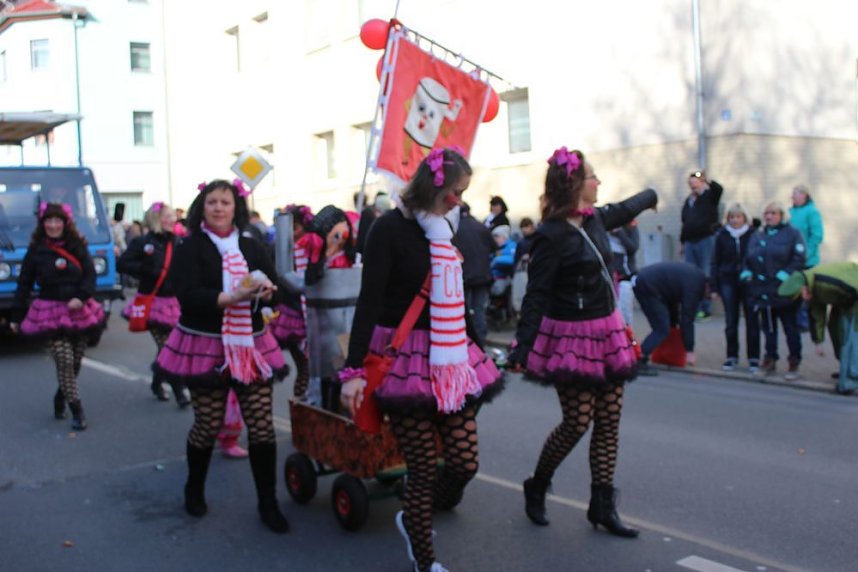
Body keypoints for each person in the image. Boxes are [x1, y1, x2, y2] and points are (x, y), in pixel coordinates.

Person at [339, 147, 504, 572]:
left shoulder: (449, 227)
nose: (461, 201)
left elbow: (456, 295)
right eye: (455, 192)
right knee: (422, 468)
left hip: (451, 353)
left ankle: (416, 513)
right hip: (405, 357)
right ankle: (424, 557)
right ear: (434, 188)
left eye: (464, 193)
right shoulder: (389, 230)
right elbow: (369, 301)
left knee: (465, 462)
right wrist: (354, 370)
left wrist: (474, 345)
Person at [507, 146, 657, 537]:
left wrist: (653, 195)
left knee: (609, 421)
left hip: (605, 332)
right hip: (570, 337)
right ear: (575, 183)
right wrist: (521, 347)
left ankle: (602, 506)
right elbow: (536, 294)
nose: (599, 182)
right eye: (593, 177)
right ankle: (537, 484)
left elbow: (627, 207)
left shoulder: (596, 220)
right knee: (576, 422)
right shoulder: (550, 237)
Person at [153, 179, 290, 533]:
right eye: (211, 202)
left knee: (261, 427)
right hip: (207, 345)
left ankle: (268, 503)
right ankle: (194, 488)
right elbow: (187, 295)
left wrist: (270, 291)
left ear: (235, 208)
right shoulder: (191, 246)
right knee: (207, 425)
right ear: (203, 206)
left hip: (251, 345)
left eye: (224, 202)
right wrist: (228, 299)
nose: (218, 208)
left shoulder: (251, 244)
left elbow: (276, 291)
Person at [11, 202, 107, 431]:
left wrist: (82, 297)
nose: (53, 225)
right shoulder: (35, 252)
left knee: (75, 361)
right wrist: (16, 316)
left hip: (79, 309)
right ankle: (77, 409)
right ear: (42, 224)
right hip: (50, 311)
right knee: (64, 360)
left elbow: (90, 275)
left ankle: (60, 396)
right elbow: (23, 285)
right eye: (49, 221)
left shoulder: (77, 246)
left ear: (65, 223)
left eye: (57, 221)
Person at [117, 201, 190, 407]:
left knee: (171, 347)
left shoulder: (179, 242)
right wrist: (146, 268)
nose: (170, 219)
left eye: (172, 216)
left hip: (175, 302)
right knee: (169, 347)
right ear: (155, 219)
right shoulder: (142, 242)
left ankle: (157, 380)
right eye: (165, 216)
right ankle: (179, 392)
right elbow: (123, 264)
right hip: (153, 301)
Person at [740, 201, 806, 380]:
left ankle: (794, 361)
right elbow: (748, 257)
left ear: (781, 215)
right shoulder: (758, 235)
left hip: (784, 290)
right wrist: (746, 273)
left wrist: (784, 277)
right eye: (766, 213)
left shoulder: (792, 234)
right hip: (763, 290)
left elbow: (799, 259)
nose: (769, 216)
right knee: (769, 328)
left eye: (773, 213)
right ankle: (770, 358)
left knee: (790, 327)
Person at [778, 262, 858, 394]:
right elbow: (817, 315)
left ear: (803, 286)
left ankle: (850, 380)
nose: (803, 298)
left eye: (801, 294)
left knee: (852, 337)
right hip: (845, 298)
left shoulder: (824, 282)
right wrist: (818, 342)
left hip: (853, 295)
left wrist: (847, 308)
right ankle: (846, 369)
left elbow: (852, 288)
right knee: (837, 331)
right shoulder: (811, 286)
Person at [269, 204, 314, 398]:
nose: (292, 233)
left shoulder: (313, 247)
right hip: (294, 317)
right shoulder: (281, 250)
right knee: (305, 368)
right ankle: (300, 409)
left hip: (312, 314)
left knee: (313, 370)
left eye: (295, 228)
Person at [633, 262, 707, 375]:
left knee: (664, 326)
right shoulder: (694, 287)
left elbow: (672, 299)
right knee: (661, 329)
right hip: (648, 285)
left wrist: (674, 323)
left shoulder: (696, 277)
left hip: (646, 281)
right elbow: (687, 319)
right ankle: (638, 360)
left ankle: (644, 356)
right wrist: (689, 350)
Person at [709, 203, 758, 371]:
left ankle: (753, 357)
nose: (735, 220)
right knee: (731, 321)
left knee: (752, 321)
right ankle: (731, 356)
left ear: (744, 218)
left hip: (749, 282)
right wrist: (714, 287)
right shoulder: (722, 236)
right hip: (728, 281)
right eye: (732, 217)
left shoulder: (752, 235)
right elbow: (715, 261)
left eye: (738, 217)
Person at [680, 170, 724, 320]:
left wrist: (708, 180)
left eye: (696, 182)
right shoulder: (688, 202)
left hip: (706, 240)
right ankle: (695, 307)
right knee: (692, 275)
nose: (693, 185)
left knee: (706, 274)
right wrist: (682, 243)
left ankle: (706, 308)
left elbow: (719, 189)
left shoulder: (709, 197)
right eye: (691, 182)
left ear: (701, 183)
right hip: (690, 242)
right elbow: (684, 223)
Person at [454, 202, 494, 347]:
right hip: (482, 275)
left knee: (463, 308)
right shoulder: (481, 227)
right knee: (479, 308)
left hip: (463, 275)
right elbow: (494, 247)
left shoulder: (455, 228)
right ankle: (480, 339)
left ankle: (467, 339)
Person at [789, 184, 824, 331]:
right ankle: (794, 320)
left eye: (797, 194)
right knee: (794, 291)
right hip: (792, 260)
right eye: (793, 194)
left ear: (805, 195)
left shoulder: (812, 212)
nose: (794, 197)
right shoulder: (789, 212)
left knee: (806, 292)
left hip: (808, 261)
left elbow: (816, 236)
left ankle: (805, 322)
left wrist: (806, 253)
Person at [607, 220, 639, 326]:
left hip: (624, 278)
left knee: (625, 315)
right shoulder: (603, 230)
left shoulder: (631, 227)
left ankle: (627, 338)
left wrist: (619, 232)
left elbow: (632, 248)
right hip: (608, 279)